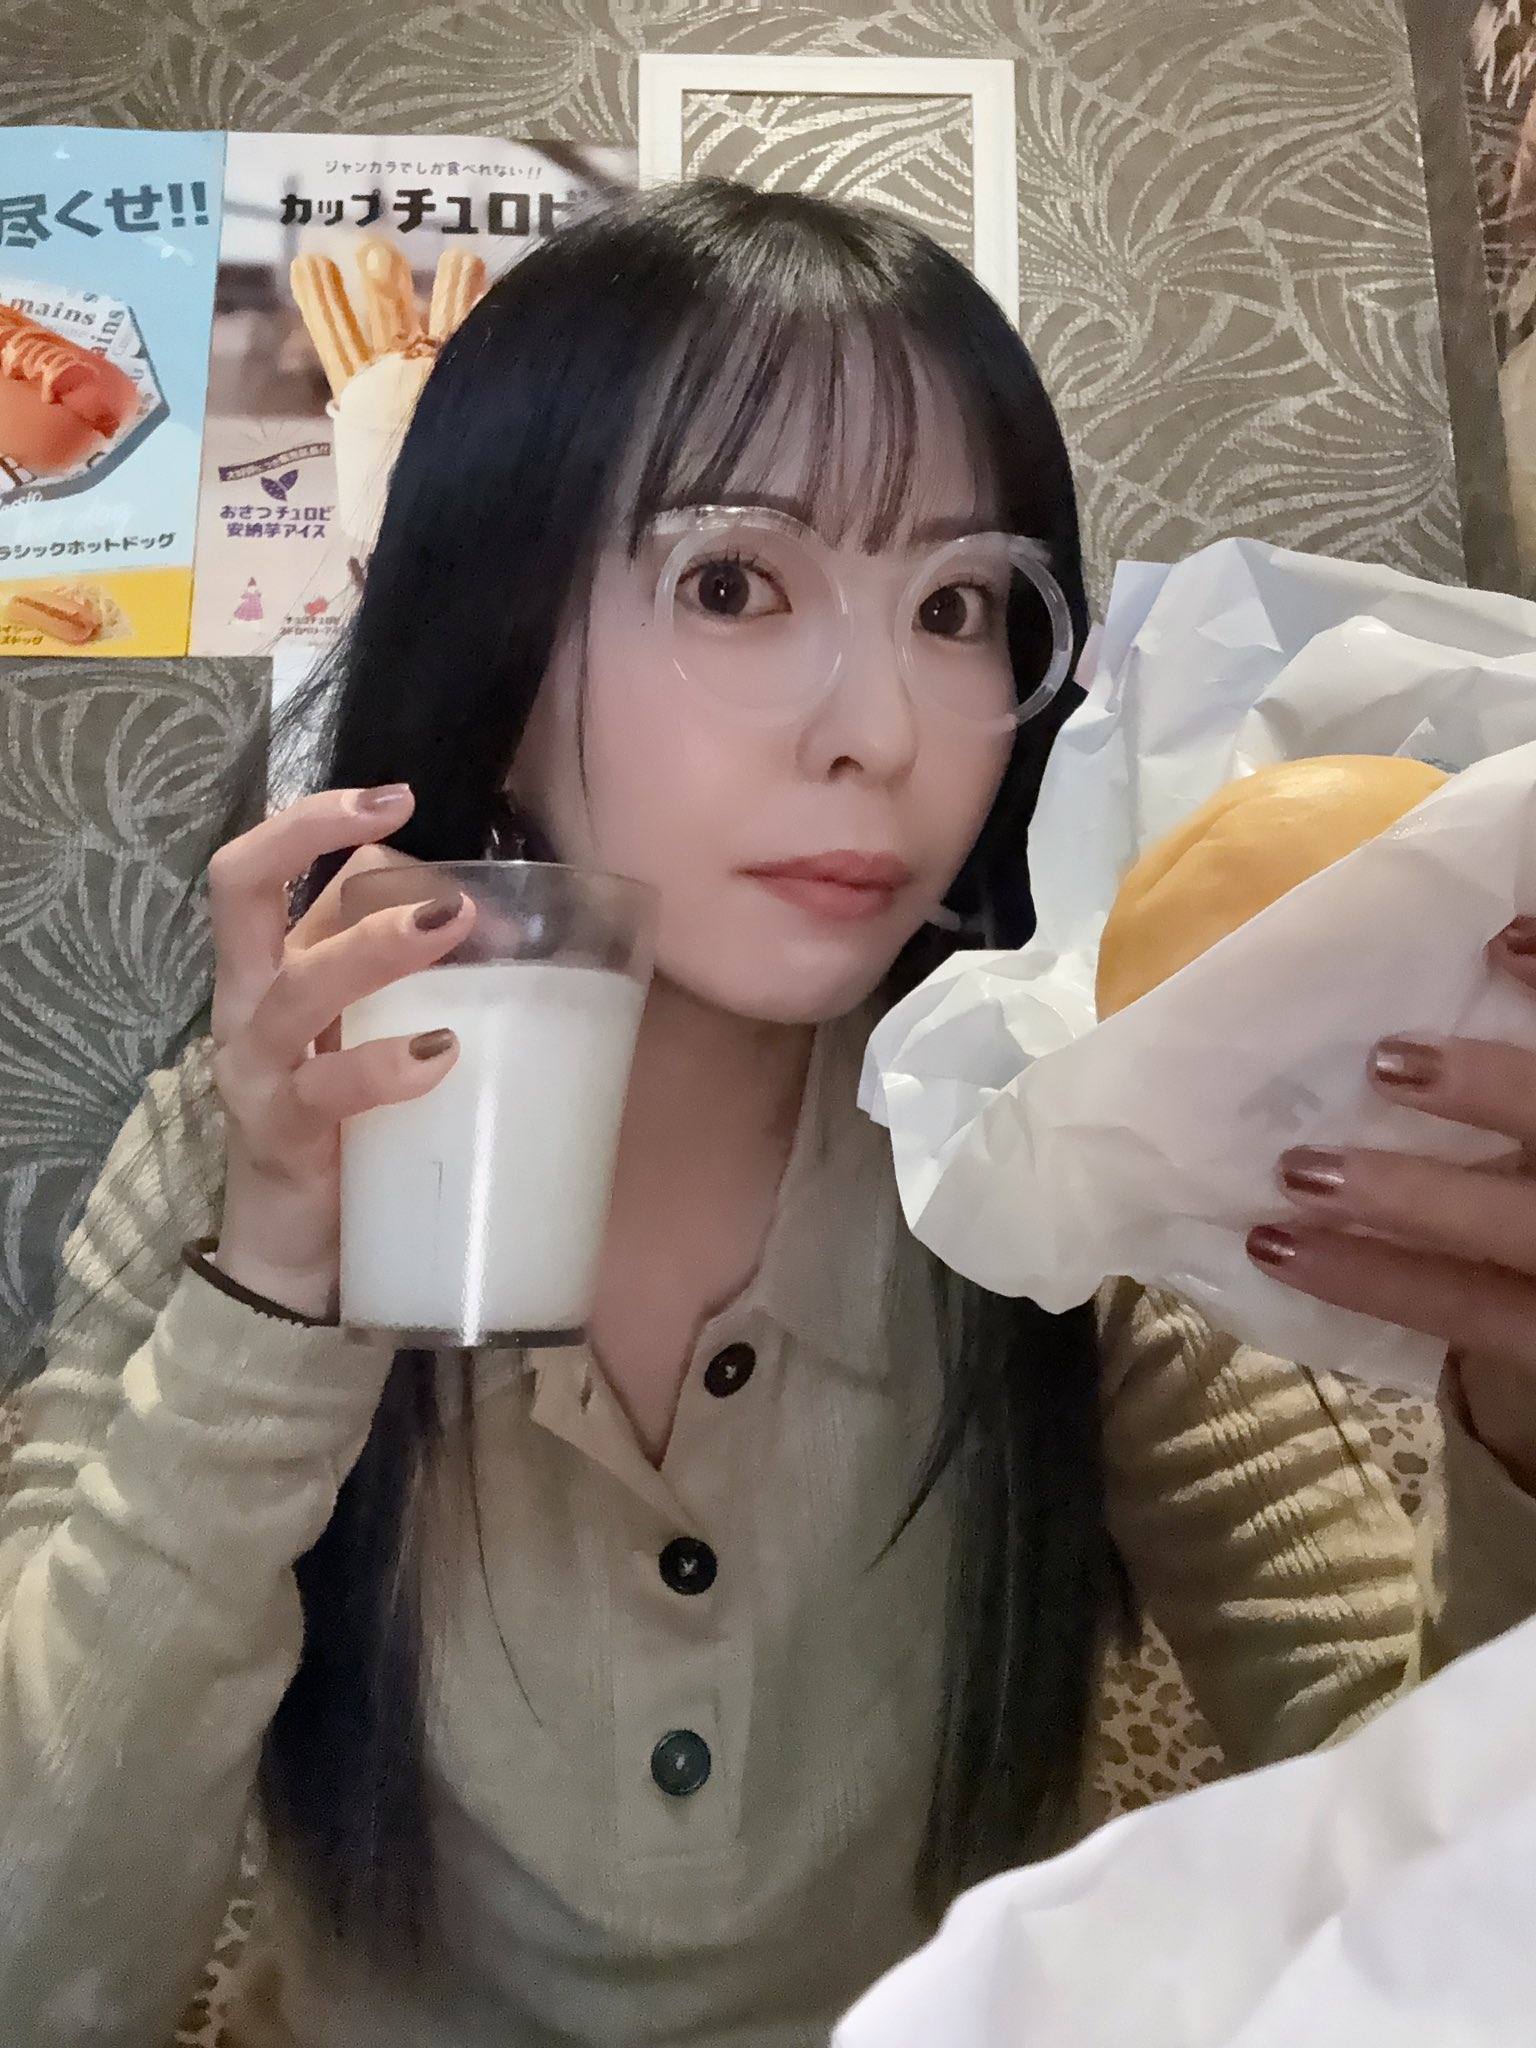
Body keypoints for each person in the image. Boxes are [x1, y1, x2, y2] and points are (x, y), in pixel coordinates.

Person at [3, 180, 1536, 2048]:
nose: (881, 731)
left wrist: (1519, 1422)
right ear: (497, 636)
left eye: (957, 605)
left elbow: (1448, 1879)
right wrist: (274, 1301)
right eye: (734, 583)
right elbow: (44, 1978)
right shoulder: (236, 1154)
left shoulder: (1053, 1148)